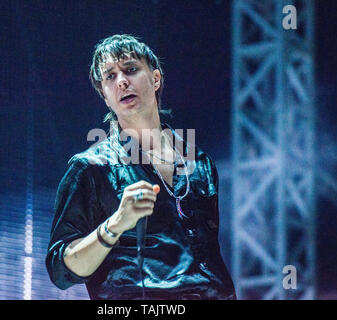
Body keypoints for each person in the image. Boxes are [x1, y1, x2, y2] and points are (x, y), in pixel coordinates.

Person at [45, 34, 236, 300]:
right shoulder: (90, 168)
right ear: (104, 94)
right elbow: (61, 270)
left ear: (155, 79)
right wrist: (115, 224)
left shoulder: (199, 163)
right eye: (110, 76)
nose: (121, 81)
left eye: (131, 70)